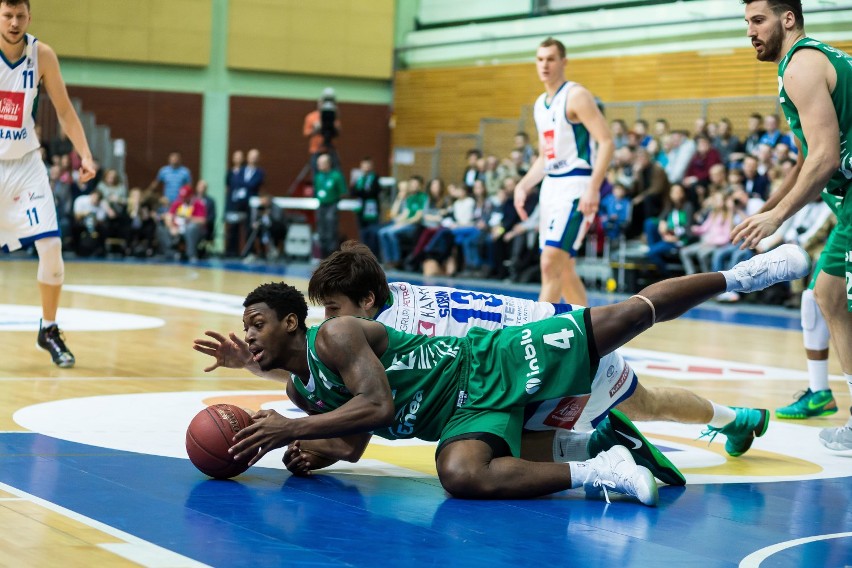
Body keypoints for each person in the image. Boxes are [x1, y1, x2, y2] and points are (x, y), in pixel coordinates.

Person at [217, 241, 808, 506]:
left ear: (294, 323)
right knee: (459, 476)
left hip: (493, 356)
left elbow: (378, 408)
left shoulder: (341, 334)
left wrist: (291, 430)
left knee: (628, 316)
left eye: (256, 324)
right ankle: (600, 466)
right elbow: (351, 441)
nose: (248, 335)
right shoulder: (304, 385)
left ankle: (746, 276)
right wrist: (313, 449)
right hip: (463, 415)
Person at [733, 0, 852, 451]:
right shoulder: (804, 65)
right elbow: (806, 155)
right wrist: (769, 205)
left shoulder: (802, 66)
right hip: (846, 197)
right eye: (746, 22)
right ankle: (825, 394)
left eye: (758, 20)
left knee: (827, 294)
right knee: (828, 295)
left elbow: (824, 157)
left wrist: (779, 217)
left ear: (788, 19)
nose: (750, 31)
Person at [0, 0, 96, 367]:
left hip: (25, 164)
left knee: (52, 247)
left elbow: (65, 110)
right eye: (7, 15)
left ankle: (49, 329)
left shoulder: (42, 55)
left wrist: (85, 154)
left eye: (20, 16)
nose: (13, 22)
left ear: (29, 16)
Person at [513, 37, 615, 306]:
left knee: (550, 264)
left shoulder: (576, 95)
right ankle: (592, 337)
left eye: (550, 59)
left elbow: (606, 141)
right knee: (564, 269)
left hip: (576, 187)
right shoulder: (539, 105)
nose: (544, 64)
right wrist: (523, 185)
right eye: (540, 59)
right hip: (551, 187)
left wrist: (593, 187)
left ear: (563, 62)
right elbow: (545, 157)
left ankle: (534, 337)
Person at [313, 152, 346, 258]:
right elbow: (317, 191)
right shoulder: (318, 176)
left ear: (328, 164)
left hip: (332, 205)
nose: (318, 166)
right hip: (321, 205)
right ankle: (322, 258)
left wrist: (335, 202)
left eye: (321, 163)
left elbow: (343, 192)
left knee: (331, 232)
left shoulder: (336, 175)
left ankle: (331, 258)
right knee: (321, 232)